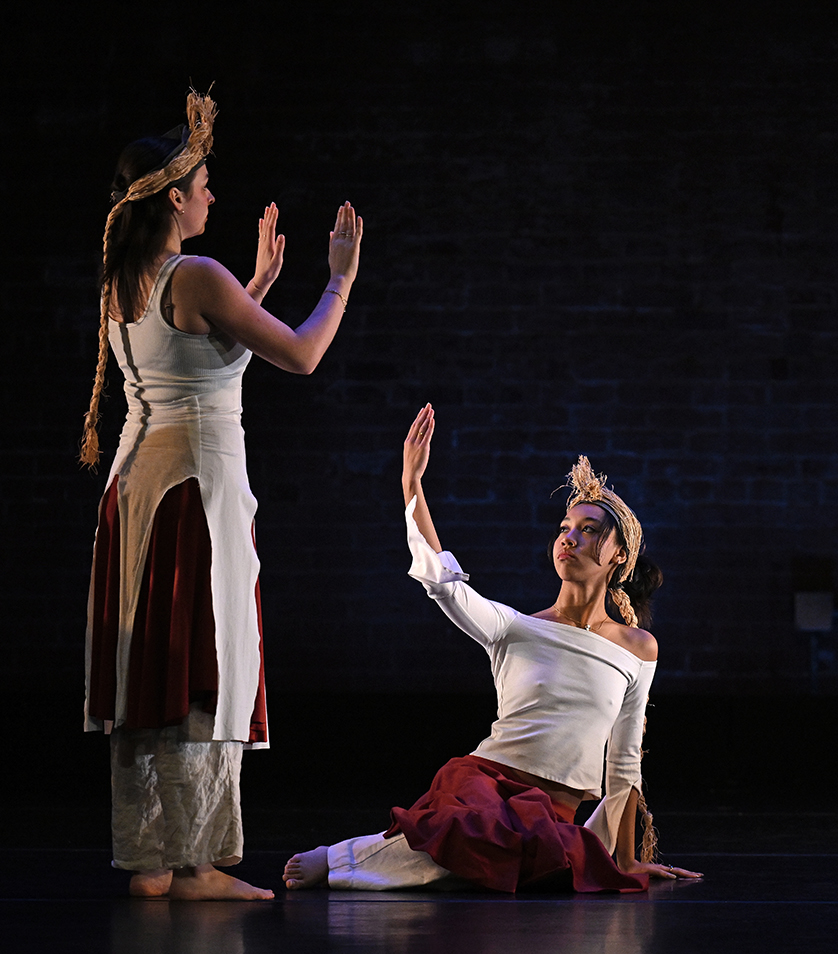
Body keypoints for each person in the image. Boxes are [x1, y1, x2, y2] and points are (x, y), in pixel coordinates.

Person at [81, 90, 363, 900]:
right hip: (191, 498)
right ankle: (197, 863)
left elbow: (197, 359)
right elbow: (303, 357)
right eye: (204, 184)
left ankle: (151, 859)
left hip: (137, 495)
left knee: (153, 668)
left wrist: (258, 284)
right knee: (202, 660)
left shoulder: (130, 276)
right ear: (174, 197)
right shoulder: (198, 276)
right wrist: (337, 281)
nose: (212, 195)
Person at [283, 405, 702, 892]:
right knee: (468, 828)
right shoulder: (515, 627)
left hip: (554, 810)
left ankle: (421, 854)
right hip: (485, 784)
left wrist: (626, 860)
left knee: (544, 866)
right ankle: (341, 859)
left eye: (588, 530)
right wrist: (411, 486)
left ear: (619, 557)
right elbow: (444, 583)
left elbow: (625, 760)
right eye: (564, 529)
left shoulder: (637, 648)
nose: (569, 538)